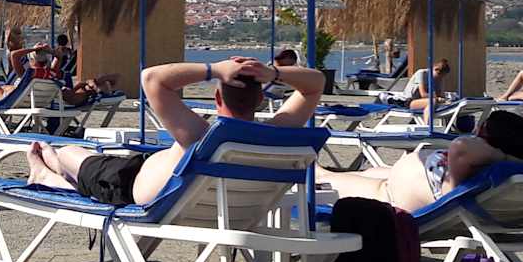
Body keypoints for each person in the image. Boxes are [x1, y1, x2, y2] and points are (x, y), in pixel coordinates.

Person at [24, 56, 325, 206]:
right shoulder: (276, 136)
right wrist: (274, 72)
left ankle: (47, 172)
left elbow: (151, 78)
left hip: (126, 184)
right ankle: (53, 169)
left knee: (68, 151)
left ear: (217, 98)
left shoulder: (201, 136)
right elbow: (316, 85)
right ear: (260, 100)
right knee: (76, 159)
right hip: (223, 204)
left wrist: (213, 69)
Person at [321, 108, 523, 214]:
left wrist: (498, 150)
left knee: (323, 177)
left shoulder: (476, 155)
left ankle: (308, 165)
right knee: (370, 171)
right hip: (397, 179)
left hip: (390, 195)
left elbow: (460, 145)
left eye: (481, 127)